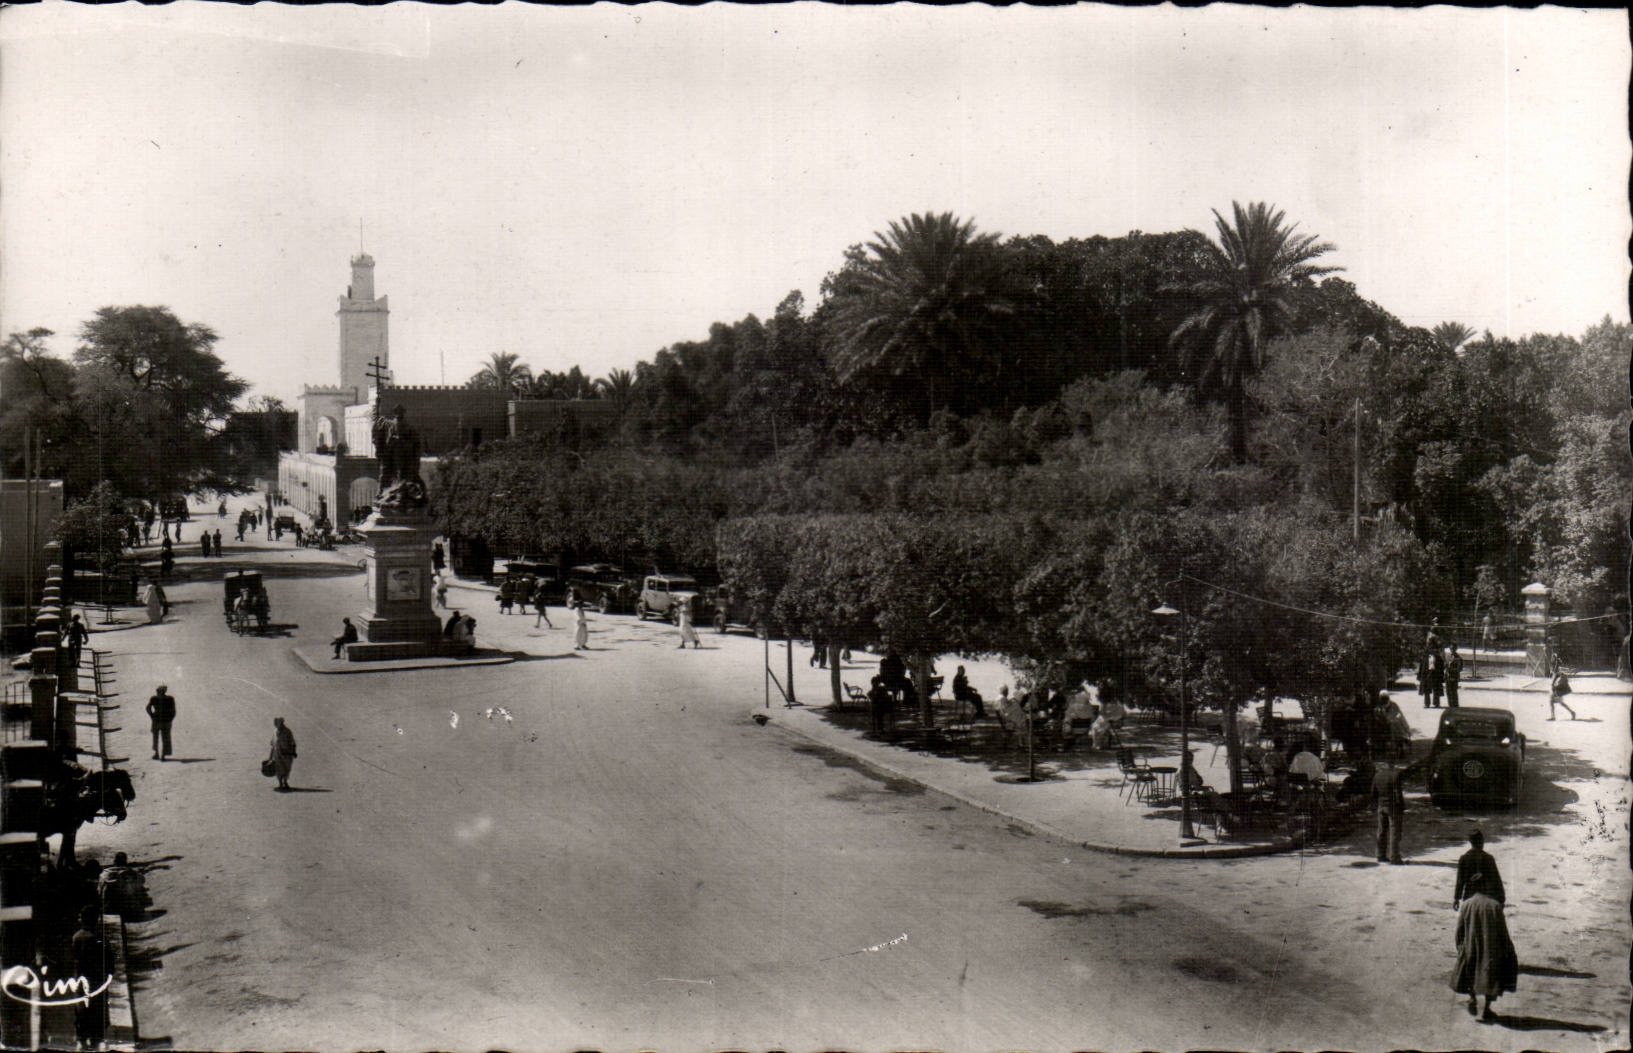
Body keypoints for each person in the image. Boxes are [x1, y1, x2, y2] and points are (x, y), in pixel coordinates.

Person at [1451, 829, 1518, 1021]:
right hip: (1490, 906)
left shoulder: (1464, 859)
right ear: (1482, 841)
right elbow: (1497, 880)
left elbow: (1460, 880)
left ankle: (1472, 998)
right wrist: (1501, 901)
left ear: (1470, 842)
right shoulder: (1489, 859)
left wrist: (1456, 898)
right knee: (1492, 962)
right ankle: (1487, 1008)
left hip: (1470, 904)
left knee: (1470, 958)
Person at [70, 905, 109, 1051]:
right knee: (98, 1008)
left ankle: (81, 1040)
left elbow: (74, 959)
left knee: (81, 1009)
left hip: (81, 979)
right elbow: (109, 958)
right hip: (98, 979)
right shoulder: (101, 938)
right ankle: (97, 1039)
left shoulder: (76, 938)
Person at [1372, 759, 1405, 864]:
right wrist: (1402, 806)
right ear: (1391, 764)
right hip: (1393, 806)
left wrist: (1376, 805)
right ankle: (1394, 857)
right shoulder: (1396, 775)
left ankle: (1380, 855)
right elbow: (1398, 793)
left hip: (1381, 805)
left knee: (1381, 831)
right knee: (1394, 831)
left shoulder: (1377, 776)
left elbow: (1373, 793)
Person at [146, 684, 176, 760]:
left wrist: (152, 715)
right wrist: (170, 719)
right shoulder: (170, 699)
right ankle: (163, 755)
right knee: (166, 738)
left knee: (155, 738)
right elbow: (173, 711)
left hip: (156, 720)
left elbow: (148, 708)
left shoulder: (154, 698)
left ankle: (156, 753)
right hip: (166, 721)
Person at [268, 717, 297, 791]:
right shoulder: (275, 732)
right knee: (278, 768)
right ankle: (280, 783)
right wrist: (270, 757)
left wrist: (294, 752)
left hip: (287, 753)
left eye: (277, 723)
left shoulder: (287, 731)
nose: (276, 725)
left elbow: (293, 742)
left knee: (287, 768)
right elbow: (273, 745)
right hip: (277, 754)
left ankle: (285, 781)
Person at [1547, 653, 1576, 720]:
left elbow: (1557, 675)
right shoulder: (1555, 666)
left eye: (1553, 658)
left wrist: (1553, 685)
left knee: (1553, 701)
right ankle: (1572, 712)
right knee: (1557, 702)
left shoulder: (1557, 666)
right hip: (1555, 687)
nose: (1552, 659)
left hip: (1556, 687)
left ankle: (1553, 716)